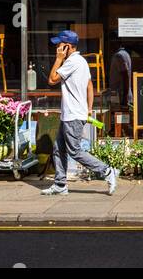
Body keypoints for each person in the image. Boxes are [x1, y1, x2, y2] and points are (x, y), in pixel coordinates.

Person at [42, 30, 117, 196]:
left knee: (74, 150)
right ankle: (60, 184)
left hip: (73, 115)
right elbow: (89, 85)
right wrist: (89, 108)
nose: (57, 48)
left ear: (68, 46)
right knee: (58, 148)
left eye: (59, 45)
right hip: (73, 113)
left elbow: (52, 79)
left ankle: (107, 171)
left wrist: (58, 59)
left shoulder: (71, 62)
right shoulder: (82, 61)